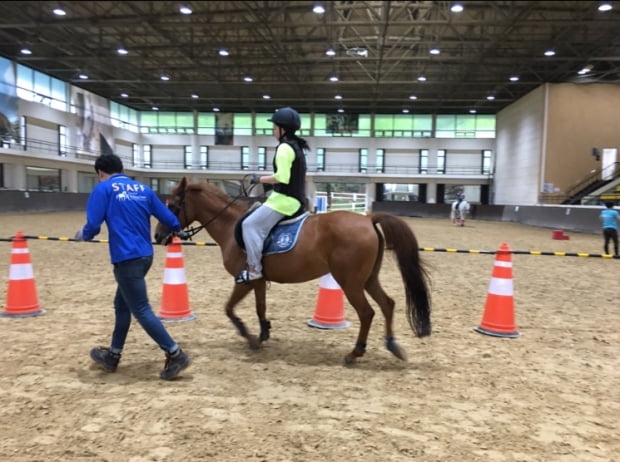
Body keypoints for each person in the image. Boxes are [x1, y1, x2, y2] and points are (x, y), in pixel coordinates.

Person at [75, 153, 191, 380]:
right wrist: (178, 228)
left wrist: (83, 235)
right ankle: (113, 355)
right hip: (145, 256)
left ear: (100, 173)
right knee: (121, 304)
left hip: (126, 258)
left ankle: (174, 353)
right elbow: (168, 216)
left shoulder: (104, 189)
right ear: (122, 169)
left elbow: (93, 225)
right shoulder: (143, 190)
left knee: (141, 309)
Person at [236, 107, 309, 284]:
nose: (273, 130)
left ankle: (254, 269)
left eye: (275, 127)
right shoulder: (297, 146)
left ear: (282, 129)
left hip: (285, 202)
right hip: (292, 198)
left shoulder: (284, 148)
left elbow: (281, 177)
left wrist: (258, 179)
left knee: (249, 224)